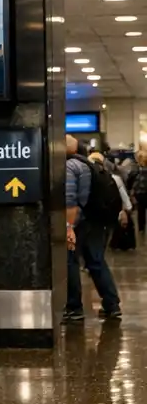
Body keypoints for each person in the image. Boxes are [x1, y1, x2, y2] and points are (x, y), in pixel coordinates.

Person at [65, 134, 122, 322]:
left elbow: (71, 201)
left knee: (71, 261)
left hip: (81, 222)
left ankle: (74, 308)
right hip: (96, 220)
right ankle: (112, 305)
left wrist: (68, 228)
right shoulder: (89, 164)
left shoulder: (70, 166)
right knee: (96, 262)